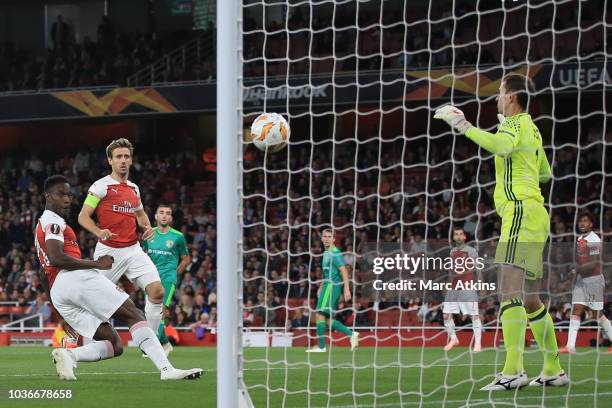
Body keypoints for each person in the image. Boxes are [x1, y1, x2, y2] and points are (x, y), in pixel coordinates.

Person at [435, 73, 568, 390]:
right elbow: (546, 173)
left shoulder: (514, 125)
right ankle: (552, 369)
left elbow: (503, 148)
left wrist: (465, 127)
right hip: (537, 215)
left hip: (520, 213)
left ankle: (513, 371)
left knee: (509, 291)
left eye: (500, 93)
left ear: (511, 97)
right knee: (532, 299)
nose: (496, 97)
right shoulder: (532, 128)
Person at [36, 175, 202, 381]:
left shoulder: (42, 225)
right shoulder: (53, 222)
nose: (67, 199)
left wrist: (56, 305)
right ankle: (167, 370)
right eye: (61, 194)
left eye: (69, 195)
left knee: (114, 344)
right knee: (134, 315)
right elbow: (57, 257)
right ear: (47, 196)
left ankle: (69, 354)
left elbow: (43, 272)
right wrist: (96, 264)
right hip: (75, 279)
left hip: (59, 290)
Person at [78, 138, 165, 337]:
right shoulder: (100, 186)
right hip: (108, 252)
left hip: (133, 250)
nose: (123, 160)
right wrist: (99, 231)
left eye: (126, 156)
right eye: (118, 157)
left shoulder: (134, 189)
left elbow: (140, 213)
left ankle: (149, 344)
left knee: (157, 292)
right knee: (94, 303)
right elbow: (83, 216)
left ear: (131, 160)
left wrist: (147, 226)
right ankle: (79, 343)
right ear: (110, 160)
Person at [559, 212, 612, 353]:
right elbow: (579, 260)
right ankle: (570, 346)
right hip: (582, 280)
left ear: (591, 224)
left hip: (594, 280)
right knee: (576, 309)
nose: (582, 223)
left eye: (585, 221)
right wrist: (574, 274)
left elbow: (595, 262)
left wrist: (578, 269)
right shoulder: (579, 239)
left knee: (597, 314)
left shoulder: (594, 239)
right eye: (580, 221)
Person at [142, 204, 191, 356]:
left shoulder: (178, 237)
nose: (164, 215)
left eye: (168, 213)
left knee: (162, 310)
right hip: (150, 279)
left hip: (167, 279)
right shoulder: (149, 234)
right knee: (150, 313)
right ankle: (165, 343)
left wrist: (175, 273)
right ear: (156, 216)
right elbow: (143, 254)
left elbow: (186, 258)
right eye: (161, 213)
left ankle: (153, 346)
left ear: (170, 218)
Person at [306, 228, 359, 353]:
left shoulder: (335, 252)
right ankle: (352, 334)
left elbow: (344, 270)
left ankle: (321, 347)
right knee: (325, 319)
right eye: (324, 236)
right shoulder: (325, 253)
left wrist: (346, 289)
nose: (326, 239)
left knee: (319, 315)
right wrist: (320, 286)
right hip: (327, 286)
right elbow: (326, 273)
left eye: (329, 236)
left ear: (334, 239)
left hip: (332, 287)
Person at [442, 226, 482, 353]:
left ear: (464, 237)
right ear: (454, 237)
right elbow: (451, 272)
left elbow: (478, 269)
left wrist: (481, 285)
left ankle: (478, 343)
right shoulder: (452, 252)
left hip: (467, 286)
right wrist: (447, 285)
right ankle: (454, 339)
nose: (458, 236)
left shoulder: (471, 251)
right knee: (446, 315)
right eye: (456, 234)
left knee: (474, 316)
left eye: (461, 234)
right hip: (454, 288)